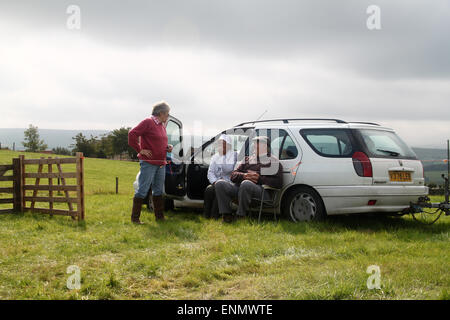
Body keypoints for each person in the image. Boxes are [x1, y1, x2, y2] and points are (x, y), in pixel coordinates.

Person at [215, 136, 283, 223]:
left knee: (246, 183)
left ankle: (241, 216)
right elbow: (232, 176)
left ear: (265, 146)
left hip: (262, 193)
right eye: (254, 143)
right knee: (220, 183)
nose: (254, 145)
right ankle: (227, 215)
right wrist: (244, 175)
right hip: (241, 189)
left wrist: (259, 179)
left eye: (257, 143)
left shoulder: (273, 161)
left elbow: (279, 182)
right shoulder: (247, 159)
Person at [128, 101, 173, 224]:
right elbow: (132, 134)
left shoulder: (162, 126)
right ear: (161, 113)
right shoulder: (148, 122)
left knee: (158, 191)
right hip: (148, 163)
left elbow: (158, 142)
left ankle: (160, 217)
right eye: (167, 114)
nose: (168, 116)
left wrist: (167, 147)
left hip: (161, 163)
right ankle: (135, 219)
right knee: (143, 189)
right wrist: (140, 150)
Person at [204, 134, 238, 219]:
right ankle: (207, 216)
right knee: (209, 190)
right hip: (217, 182)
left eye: (222, 144)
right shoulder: (215, 157)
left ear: (229, 145)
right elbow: (210, 172)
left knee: (219, 191)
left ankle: (214, 216)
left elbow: (233, 171)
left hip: (229, 183)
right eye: (219, 144)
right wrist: (215, 182)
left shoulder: (235, 155)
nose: (220, 146)